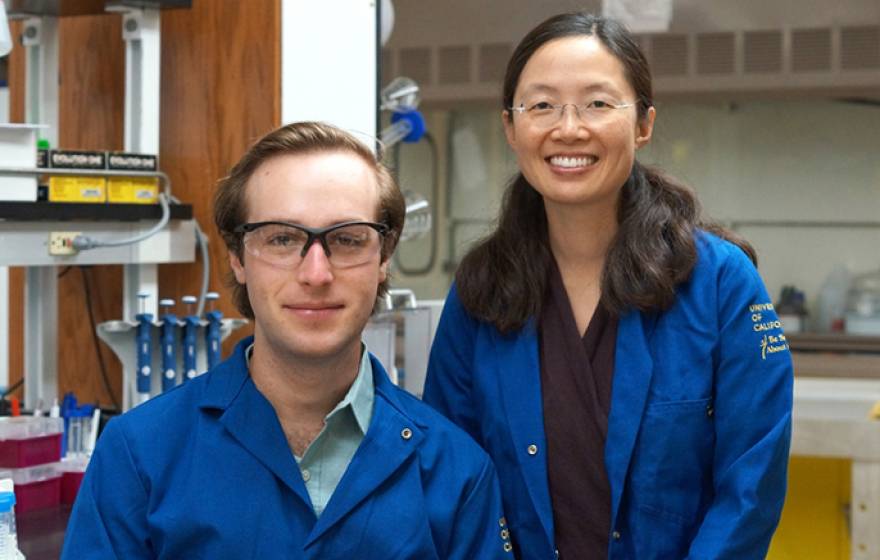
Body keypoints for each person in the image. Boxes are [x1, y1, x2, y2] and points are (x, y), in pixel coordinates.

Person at [423, 12, 793, 560]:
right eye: (541, 105)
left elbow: (750, 485)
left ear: (643, 124)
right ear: (510, 127)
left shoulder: (719, 282)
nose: (568, 128)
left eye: (598, 103)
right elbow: (452, 474)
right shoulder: (482, 291)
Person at [63, 121, 512, 559]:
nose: (316, 274)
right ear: (238, 257)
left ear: (384, 258)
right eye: (281, 238)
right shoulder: (139, 454)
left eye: (348, 239)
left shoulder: (457, 473)